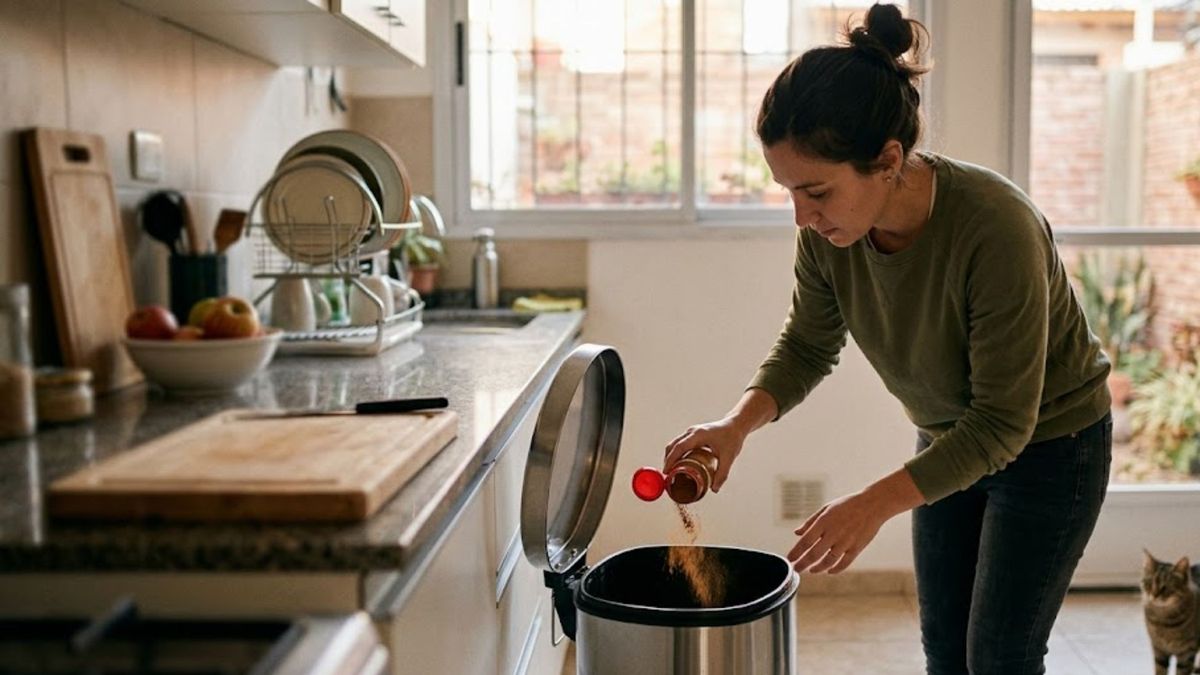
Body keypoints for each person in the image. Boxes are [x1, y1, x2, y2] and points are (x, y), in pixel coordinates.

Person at [662, 4, 1113, 674]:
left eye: (817, 191)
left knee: (999, 656)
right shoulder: (830, 235)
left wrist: (870, 505)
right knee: (945, 650)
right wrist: (735, 426)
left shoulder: (997, 229)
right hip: (951, 435)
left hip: (1053, 445)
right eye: (789, 191)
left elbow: (1001, 424)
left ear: (888, 159)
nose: (802, 215)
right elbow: (808, 346)